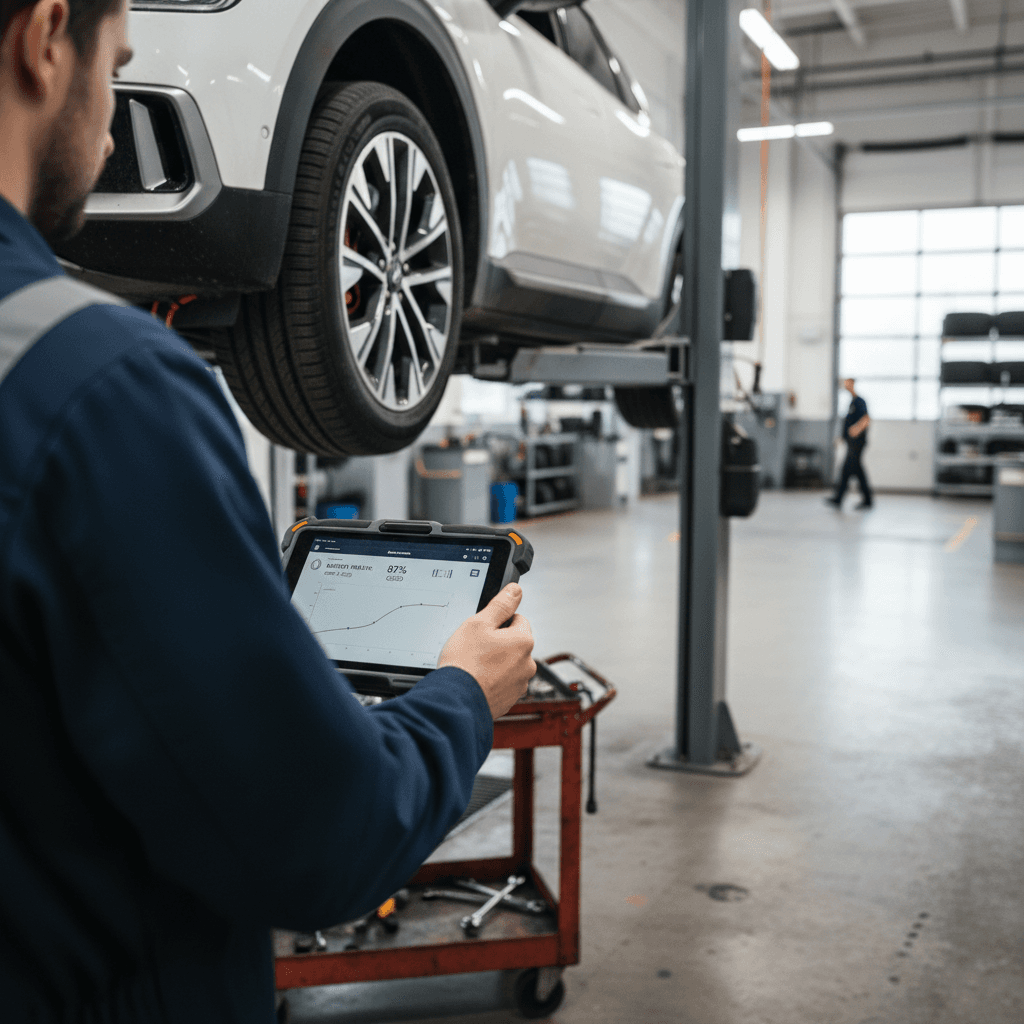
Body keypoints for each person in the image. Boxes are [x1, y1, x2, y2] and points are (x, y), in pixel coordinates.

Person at [0, 3, 536, 1022]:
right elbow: (322, 838)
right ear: (44, 37)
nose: (110, 125)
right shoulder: (101, 391)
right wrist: (464, 692)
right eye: (116, 69)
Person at [826, 377, 873, 510]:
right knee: (853, 470)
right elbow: (848, 423)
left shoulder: (859, 401)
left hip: (858, 443)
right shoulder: (851, 402)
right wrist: (842, 438)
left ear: (852, 384)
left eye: (847, 383)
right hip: (851, 443)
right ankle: (842, 498)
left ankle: (841, 498)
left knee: (849, 469)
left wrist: (856, 429)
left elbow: (866, 419)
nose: (845, 385)